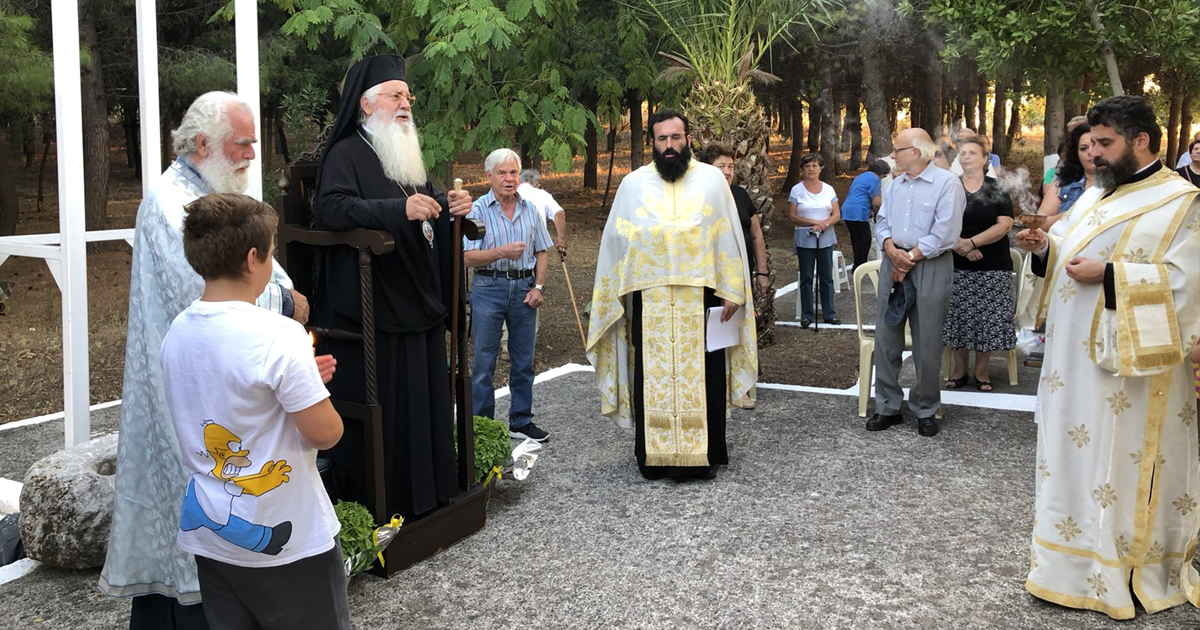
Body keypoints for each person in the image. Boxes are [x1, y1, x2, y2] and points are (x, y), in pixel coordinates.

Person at [99, 91, 321, 629]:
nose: (251, 155)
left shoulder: (209, 193)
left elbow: (252, 261)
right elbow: (201, 286)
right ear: (203, 144)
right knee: (196, 524)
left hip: (217, 375)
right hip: (192, 379)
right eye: (243, 143)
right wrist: (288, 303)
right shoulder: (170, 201)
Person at [1016, 95, 1200, 620]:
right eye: (1090, 143)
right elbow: (1068, 252)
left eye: (1104, 143)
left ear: (1140, 141)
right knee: (1069, 460)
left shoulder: (1181, 202)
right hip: (1069, 368)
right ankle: (1064, 568)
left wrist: (1112, 275)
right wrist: (1043, 249)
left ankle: (1118, 572)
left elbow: (1189, 286)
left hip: (1129, 375)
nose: (1093, 154)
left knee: (1115, 465)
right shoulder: (1098, 195)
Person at [162, 193, 348, 630]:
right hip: (288, 536)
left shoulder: (179, 329)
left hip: (214, 538)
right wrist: (313, 395)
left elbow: (226, 396)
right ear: (253, 259)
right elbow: (326, 433)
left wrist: (301, 386)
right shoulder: (278, 333)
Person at [311, 54, 473, 520]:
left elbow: (422, 201)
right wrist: (396, 213)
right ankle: (390, 503)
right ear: (366, 104)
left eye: (408, 96)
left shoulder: (403, 151)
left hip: (414, 297)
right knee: (393, 412)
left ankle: (432, 492)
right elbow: (334, 209)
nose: (406, 104)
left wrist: (450, 203)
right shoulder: (345, 153)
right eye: (396, 95)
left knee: (426, 404)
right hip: (373, 304)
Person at [586, 109, 757, 480]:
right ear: (652, 142)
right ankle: (655, 458)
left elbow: (727, 235)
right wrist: (614, 293)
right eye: (661, 139)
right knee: (652, 376)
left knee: (706, 377)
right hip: (652, 303)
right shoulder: (633, 184)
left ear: (688, 140)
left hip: (704, 296)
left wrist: (733, 289)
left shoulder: (712, 180)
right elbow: (617, 241)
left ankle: (703, 457)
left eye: (675, 138)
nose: (669, 146)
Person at [867, 128, 965, 438]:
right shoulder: (895, 185)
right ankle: (887, 407)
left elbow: (946, 232)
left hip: (930, 265)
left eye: (897, 150)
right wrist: (890, 250)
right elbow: (882, 222)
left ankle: (925, 408)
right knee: (886, 338)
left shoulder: (947, 184)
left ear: (918, 151)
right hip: (893, 263)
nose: (892, 156)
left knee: (928, 342)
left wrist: (907, 258)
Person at [464, 149, 553, 443]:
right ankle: (482, 427)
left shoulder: (530, 208)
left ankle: (521, 421)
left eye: (513, 172)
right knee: (483, 363)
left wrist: (538, 287)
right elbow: (467, 258)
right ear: (488, 176)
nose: (508, 179)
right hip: (488, 289)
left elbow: (542, 250)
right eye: (501, 173)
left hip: (524, 289)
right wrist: (502, 252)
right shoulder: (476, 210)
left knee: (523, 360)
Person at [942, 137, 1015, 392]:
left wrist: (972, 243)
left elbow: (1004, 224)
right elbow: (937, 222)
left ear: (985, 159)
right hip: (954, 263)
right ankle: (959, 369)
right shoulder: (948, 187)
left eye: (973, 153)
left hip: (993, 264)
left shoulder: (998, 187)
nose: (966, 157)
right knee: (957, 316)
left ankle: (982, 371)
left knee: (987, 319)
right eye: (963, 153)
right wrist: (959, 246)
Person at [697, 144, 770, 295]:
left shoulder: (740, 195)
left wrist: (762, 273)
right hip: (708, 282)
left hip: (742, 279)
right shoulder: (697, 199)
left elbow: (756, 235)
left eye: (731, 167)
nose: (727, 172)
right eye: (721, 166)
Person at [788, 153, 841, 327]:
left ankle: (829, 313)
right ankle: (807, 314)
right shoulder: (797, 189)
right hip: (805, 237)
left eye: (814, 165)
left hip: (825, 237)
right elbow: (792, 216)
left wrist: (824, 224)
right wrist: (814, 222)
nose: (811, 169)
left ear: (821, 168)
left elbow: (836, 214)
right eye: (807, 166)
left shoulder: (828, 189)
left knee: (826, 276)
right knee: (806, 276)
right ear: (802, 169)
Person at [1037, 123, 1096, 230]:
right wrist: (1072, 214)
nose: (1090, 153)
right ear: (1076, 154)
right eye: (1083, 148)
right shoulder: (1063, 185)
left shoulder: (1121, 185)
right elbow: (1040, 223)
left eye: (1095, 145)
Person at [841, 160, 889, 272]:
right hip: (859, 211)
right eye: (884, 176)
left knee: (856, 239)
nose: (883, 178)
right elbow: (877, 202)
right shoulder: (875, 179)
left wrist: (870, 210)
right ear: (881, 173)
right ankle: (860, 268)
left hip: (847, 210)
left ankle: (856, 265)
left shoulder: (860, 177)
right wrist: (877, 216)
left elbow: (860, 194)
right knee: (865, 240)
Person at [517, 169, 567, 253]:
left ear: (519, 181)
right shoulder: (542, 195)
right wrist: (561, 240)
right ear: (536, 184)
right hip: (537, 246)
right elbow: (559, 214)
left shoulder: (509, 194)